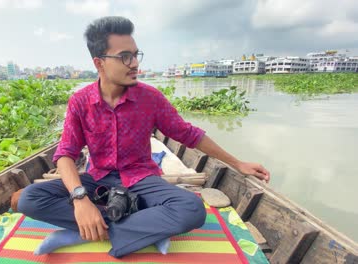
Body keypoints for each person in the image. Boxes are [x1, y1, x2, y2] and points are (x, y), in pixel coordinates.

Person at [17, 16, 270, 258]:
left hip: (141, 179)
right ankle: (139, 229)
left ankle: (83, 234)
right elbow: (65, 154)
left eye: (136, 55)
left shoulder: (150, 98)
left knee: (191, 210)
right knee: (29, 198)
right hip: (98, 180)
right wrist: (80, 199)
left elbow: (188, 134)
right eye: (125, 57)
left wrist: (238, 163)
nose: (135, 64)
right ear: (99, 63)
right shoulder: (80, 102)